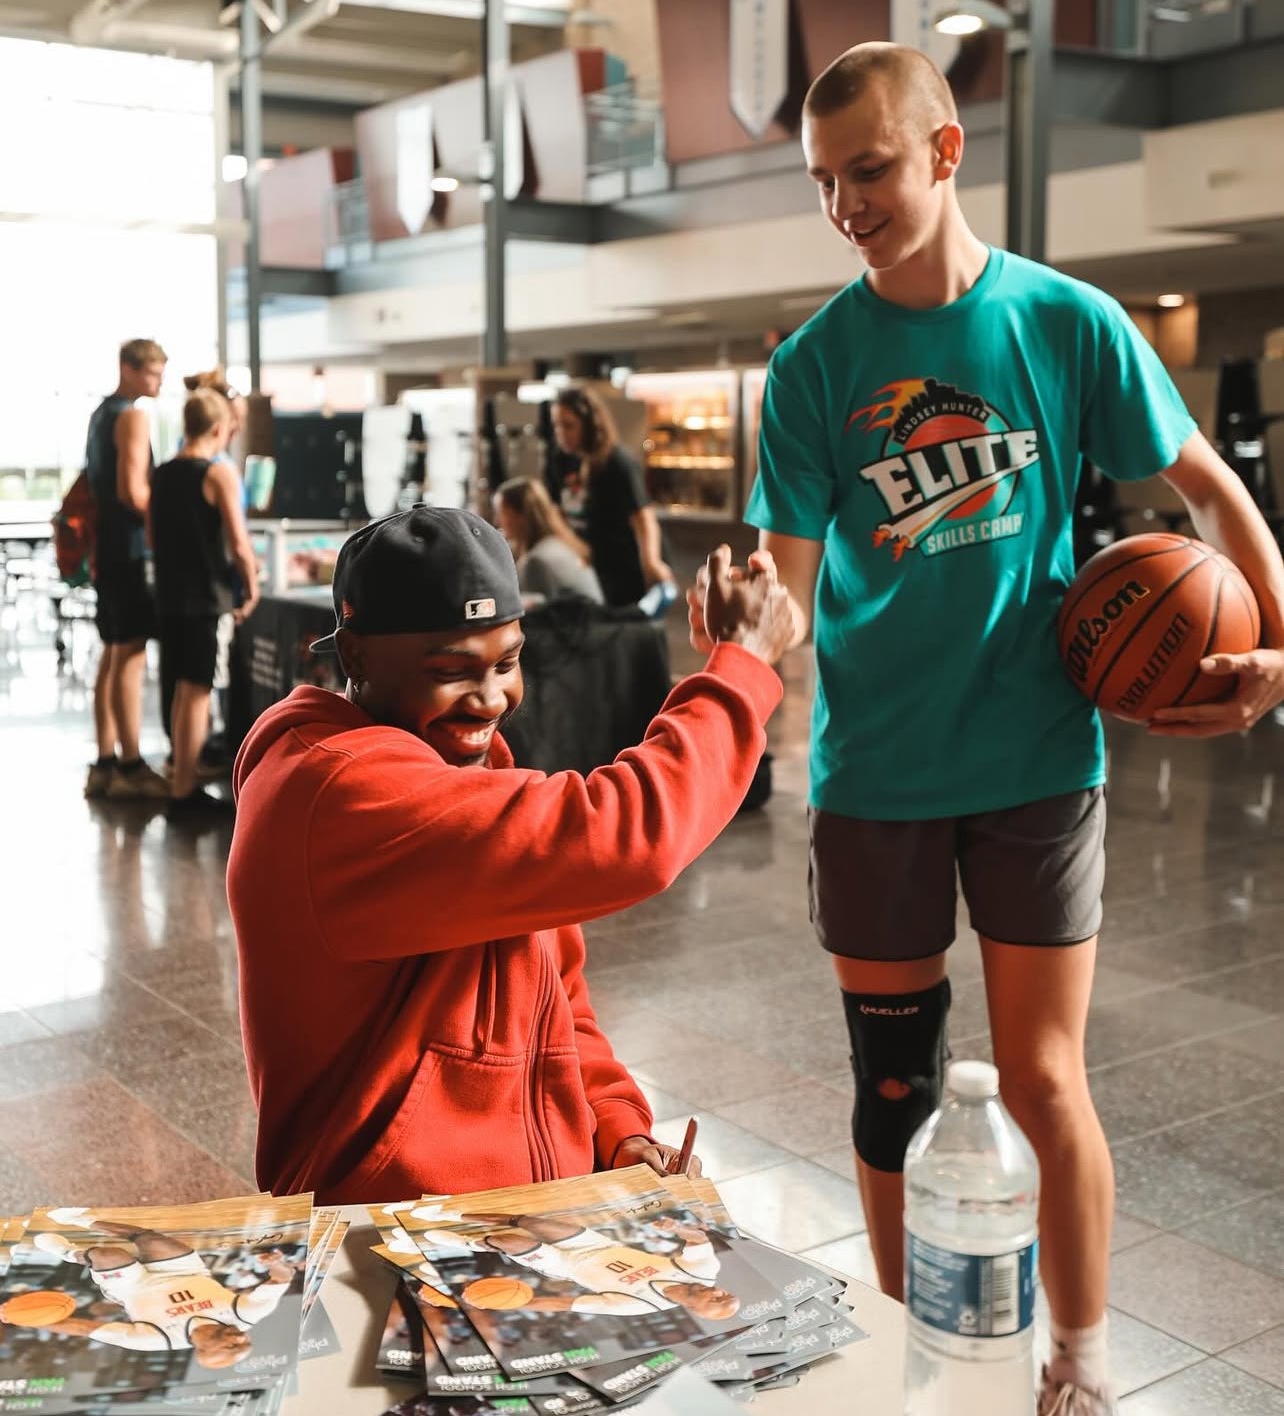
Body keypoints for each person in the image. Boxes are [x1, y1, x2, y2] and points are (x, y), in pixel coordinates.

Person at [690, 42, 1284, 1416]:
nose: (848, 201)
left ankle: (1079, 1347)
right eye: (826, 182)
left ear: (946, 152)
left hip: (1037, 763)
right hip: (878, 774)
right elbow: (782, 592)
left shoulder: (1067, 323)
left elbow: (1202, 485)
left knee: (1044, 1073)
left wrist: (1271, 638)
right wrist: (743, 624)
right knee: (894, 1082)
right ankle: (918, 1351)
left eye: (872, 168)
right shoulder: (810, 368)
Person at [227, 506, 792, 1207]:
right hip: (388, 1237)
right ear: (357, 656)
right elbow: (626, 834)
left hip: (519, 1219)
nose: (492, 697)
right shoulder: (338, 795)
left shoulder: (461, 772)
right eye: (452, 670)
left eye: (508, 660)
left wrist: (617, 1134)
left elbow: (557, 1000)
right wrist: (740, 669)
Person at [150, 389, 259, 816]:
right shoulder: (217, 475)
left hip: (170, 597)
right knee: (197, 693)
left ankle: (180, 778)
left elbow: (155, 538)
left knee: (180, 689)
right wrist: (250, 587)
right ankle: (184, 794)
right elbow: (239, 543)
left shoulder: (161, 474)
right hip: (206, 600)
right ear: (219, 428)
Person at [28, 1213, 293, 1366]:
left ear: (205, 1350)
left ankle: (69, 1253)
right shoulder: (246, 1316)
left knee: (108, 1255)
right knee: (149, 1238)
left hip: (133, 1288)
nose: (241, 1339)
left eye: (233, 1347)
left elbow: (85, 1329)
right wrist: (278, 1263)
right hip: (186, 1272)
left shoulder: (155, 1340)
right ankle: (80, 1217)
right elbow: (282, 1280)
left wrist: (22, 1318)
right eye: (246, 1342)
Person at [83, 337, 169, 802]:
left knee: (113, 653)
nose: (158, 383)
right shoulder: (132, 416)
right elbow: (132, 492)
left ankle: (104, 762)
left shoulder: (101, 414)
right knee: (130, 655)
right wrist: (168, 524)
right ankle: (133, 765)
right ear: (130, 369)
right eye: (153, 373)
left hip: (107, 549)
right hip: (132, 550)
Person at [421, 1212, 738, 1320]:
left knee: (509, 1240)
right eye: (727, 1293)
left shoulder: (640, 1306)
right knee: (529, 1221)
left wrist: (486, 1306)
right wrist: (677, 1229)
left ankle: (465, 1243)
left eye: (718, 1300)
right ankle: (448, 1215)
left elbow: (565, 1303)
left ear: (697, 1310)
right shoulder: (703, 1271)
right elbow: (697, 1238)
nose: (720, 1291)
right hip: (596, 1246)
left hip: (565, 1266)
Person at [546, 386, 675, 607]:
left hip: (627, 563)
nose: (561, 433)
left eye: (569, 426)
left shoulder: (617, 462)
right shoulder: (561, 461)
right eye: (557, 425)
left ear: (588, 425)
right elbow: (555, 511)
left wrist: (651, 563)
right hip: (595, 561)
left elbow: (643, 517)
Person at [493, 476, 605, 606]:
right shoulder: (559, 545)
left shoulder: (537, 561)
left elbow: (529, 618)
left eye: (501, 513)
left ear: (520, 515)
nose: (496, 522)